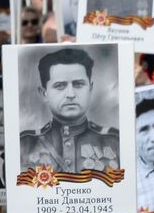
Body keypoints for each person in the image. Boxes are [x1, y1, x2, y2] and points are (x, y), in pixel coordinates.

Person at [19, 46, 121, 174]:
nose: (71, 94)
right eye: (60, 86)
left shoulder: (114, 142)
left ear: (90, 88)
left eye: (78, 84)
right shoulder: (25, 145)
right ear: (44, 93)